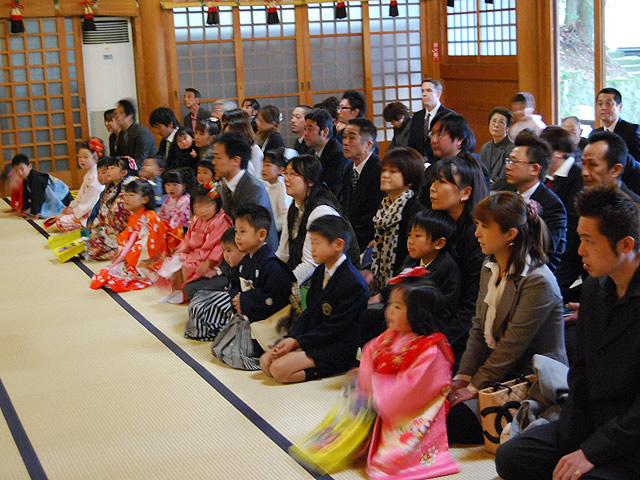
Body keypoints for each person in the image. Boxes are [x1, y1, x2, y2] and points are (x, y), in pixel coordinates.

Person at [496, 185, 640, 480]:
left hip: (631, 433)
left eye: (589, 241)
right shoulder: (592, 289)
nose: (579, 250)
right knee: (512, 457)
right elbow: (581, 373)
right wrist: (572, 439)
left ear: (625, 245)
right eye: (579, 238)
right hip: (592, 420)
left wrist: (591, 452)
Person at [446, 191, 568, 444]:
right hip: (497, 372)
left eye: (484, 227)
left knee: (451, 420)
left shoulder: (537, 280)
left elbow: (512, 347)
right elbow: (478, 329)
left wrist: (473, 387)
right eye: (477, 225)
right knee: (431, 403)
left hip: (530, 380)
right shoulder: (490, 266)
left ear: (511, 234)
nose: (476, 233)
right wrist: (463, 377)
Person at [359, 275, 459, 479]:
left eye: (398, 307)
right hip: (384, 403)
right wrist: (368, 382)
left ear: (417, 313)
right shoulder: (391, 335)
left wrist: (376, 387)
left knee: (389, 462)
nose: (390, 311)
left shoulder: (431, 349)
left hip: (412, 413)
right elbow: (370, 351)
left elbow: (416, 389)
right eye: (390, 304)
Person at [261, 215, 368, 383]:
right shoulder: (320, 272)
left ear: (338, 244)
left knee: (278, 370)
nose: (312, 249)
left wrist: (297, 343)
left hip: (336, 346)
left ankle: (329, 369)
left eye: (317, 243)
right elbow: (309, 312)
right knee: (266, 363)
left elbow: (335, 328)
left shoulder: (353, 283)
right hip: (314, 338)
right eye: (312, 242)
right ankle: (300, 358)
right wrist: (293, 338)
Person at [360, 209, 461, 348]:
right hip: (400, 313)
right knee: (367, 317)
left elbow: (444, 309)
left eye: (417, 235)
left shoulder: (446, 268)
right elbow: (397, 281)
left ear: (439, 243)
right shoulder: (412, 260)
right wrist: (380, 297)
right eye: (409, 235)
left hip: (421, 323)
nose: (410, 241)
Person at [429, 154, 488, 363]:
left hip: (466, 332)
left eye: (442, 182)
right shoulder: (443, 224)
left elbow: (472, 305)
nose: (432, 188)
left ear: (466, 193)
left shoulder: (476, 236)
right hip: (444, 317)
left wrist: (439, 341)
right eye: (434, 181)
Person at [159, 183, 233, 303]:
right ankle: (176, 291)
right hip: (194, 253)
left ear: (217, 204)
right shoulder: (195, 219)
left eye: (208, 206)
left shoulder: (221, 222)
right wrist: (182, 247)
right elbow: (188, 237)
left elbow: (219, 247)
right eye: (198, 207)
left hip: (208, 258)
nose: (203, 210)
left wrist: (209, 262)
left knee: (185, 266)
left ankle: (184, 293)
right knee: (173, 262)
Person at [90, 178, 168, 292]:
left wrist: (129, 254)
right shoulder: (134, 216)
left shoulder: (151, 217)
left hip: (148, 262)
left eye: (131, 195)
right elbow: (125, 236)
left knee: (117, 278)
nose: (126, 198)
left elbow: (150, 245)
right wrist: (122, 251)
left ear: (145, 199)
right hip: (133, 257)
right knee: (109, 273)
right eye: (125, 195)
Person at [506, 134, 567, 271]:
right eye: (508, 161)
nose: (508, 167)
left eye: (514, 162)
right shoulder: (508, 194)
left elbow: (545, 252)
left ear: (534, 169)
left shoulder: (551, 204)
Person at [369, 147, 425, 294]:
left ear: (410, 179)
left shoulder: (415, 212)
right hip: (381, 284)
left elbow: (412, 260)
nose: (385, 175)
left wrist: (385, 295)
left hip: (403, 289)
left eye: (393, 171)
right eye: (384, 170)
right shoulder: (384, 205)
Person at [213, 132, 279, 251]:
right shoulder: (225, 185)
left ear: (236, 160)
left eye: (218, 157)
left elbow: (253, 237)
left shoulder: (254, 190)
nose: (214, 162)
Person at [185, 226, 245, 341]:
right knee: (197, 299)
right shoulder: (234, 266)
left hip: (238, 305)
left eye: (229, 251)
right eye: (223, 251)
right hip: (228, 290)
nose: (225, 255)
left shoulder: (248, 267)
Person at [339, 118, 383, 253]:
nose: (345, 142)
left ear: (368, 144)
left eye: (352, 138)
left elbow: (372, 217)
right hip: (350, 237)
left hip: (369, 241)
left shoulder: (379, 171)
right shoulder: (348, 169)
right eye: (344, 137)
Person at [85, 156, 136, 261]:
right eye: (108, 168)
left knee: (92, 251)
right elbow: (102, 212)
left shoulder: (125, 194)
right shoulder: (111, 190)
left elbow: (122, 220)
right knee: (86, 245)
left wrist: (106, 232)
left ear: (123, 173)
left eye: (112, 168)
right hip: (106, 230)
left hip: (118, 234)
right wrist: (97, 228)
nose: (108, 171)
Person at [52, 138, 105, 232]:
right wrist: (72, 207)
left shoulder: (96, 175)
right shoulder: (90, 173)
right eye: (80, 157)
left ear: (96, 157)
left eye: (85, 157)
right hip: (82, 209)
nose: (82, 160)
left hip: (90, 211)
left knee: (61, 223)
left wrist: (74, 211)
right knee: (61, 218)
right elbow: (81, 195)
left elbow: (91, 200)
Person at [304, 108, 349, 198]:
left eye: (310, 129)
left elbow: (333, 191)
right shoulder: (311, 152)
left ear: (325, 132)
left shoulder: (338, 155)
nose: (305, 133)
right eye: (305, 129)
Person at [407, 78, 454, 164]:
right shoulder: (417, 116)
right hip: (419, 163)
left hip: (441, 163)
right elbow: (411, 144)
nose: (424, 94)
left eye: (429, 91)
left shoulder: (449, 116)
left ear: (438, 93)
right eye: (422, 91)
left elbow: (450, 146)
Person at [11, 154, 72, 220]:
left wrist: (35, 215)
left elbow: (37, 197)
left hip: (63, 198)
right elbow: (25, 195)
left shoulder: (36, 179)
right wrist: (23, 209)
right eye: (16, 170)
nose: (20, 173)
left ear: (30, 166)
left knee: (44, 211)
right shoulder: (26, 179)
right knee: (30, 210)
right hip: (51, 197)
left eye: (22, 169)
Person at [591, 87, 640, 165]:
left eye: (608, 104)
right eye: (600, 104)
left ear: (620, 107)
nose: (603, 108)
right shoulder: (594, 134)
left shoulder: (632, 131)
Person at [113, 99, 157, 167]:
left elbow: (140, 161)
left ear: (130, 115)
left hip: (147, 170)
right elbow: (120, 158)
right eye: (115, 113)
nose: (116, 116)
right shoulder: (122, 133)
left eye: (121, 113)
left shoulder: (141, 132)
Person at [480, 106, 515, 191]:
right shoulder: (485, 147)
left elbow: (505, 178)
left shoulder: (512, 149)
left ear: (507, 127)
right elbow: (481, 173)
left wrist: (488, 189)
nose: (496, 125)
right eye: (493, 121)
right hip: (486, 190)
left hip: (503, 192)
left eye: (501, 122)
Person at [158, 168, 193, 253]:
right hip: (168, 229)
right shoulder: (168, 199)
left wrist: (165, 233)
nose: (171, 188)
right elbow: (161, 215)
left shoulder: (185, 200)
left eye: (175, 184)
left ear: (184, 186)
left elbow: (177, 221)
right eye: (168, 185)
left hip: (181, 232)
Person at [222, 108, 264, 178]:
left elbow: (257, 179)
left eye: (226, 125)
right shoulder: (226, 148)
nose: (224, 130)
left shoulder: (254, 150)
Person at [261, 148, 291, 235]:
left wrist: (270, 228)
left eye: (268, 165)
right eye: (263, 165)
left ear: (280, 170)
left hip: (277, 232)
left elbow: (285, 216)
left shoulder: (282, 187)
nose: (263, 169)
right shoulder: (267, 185)